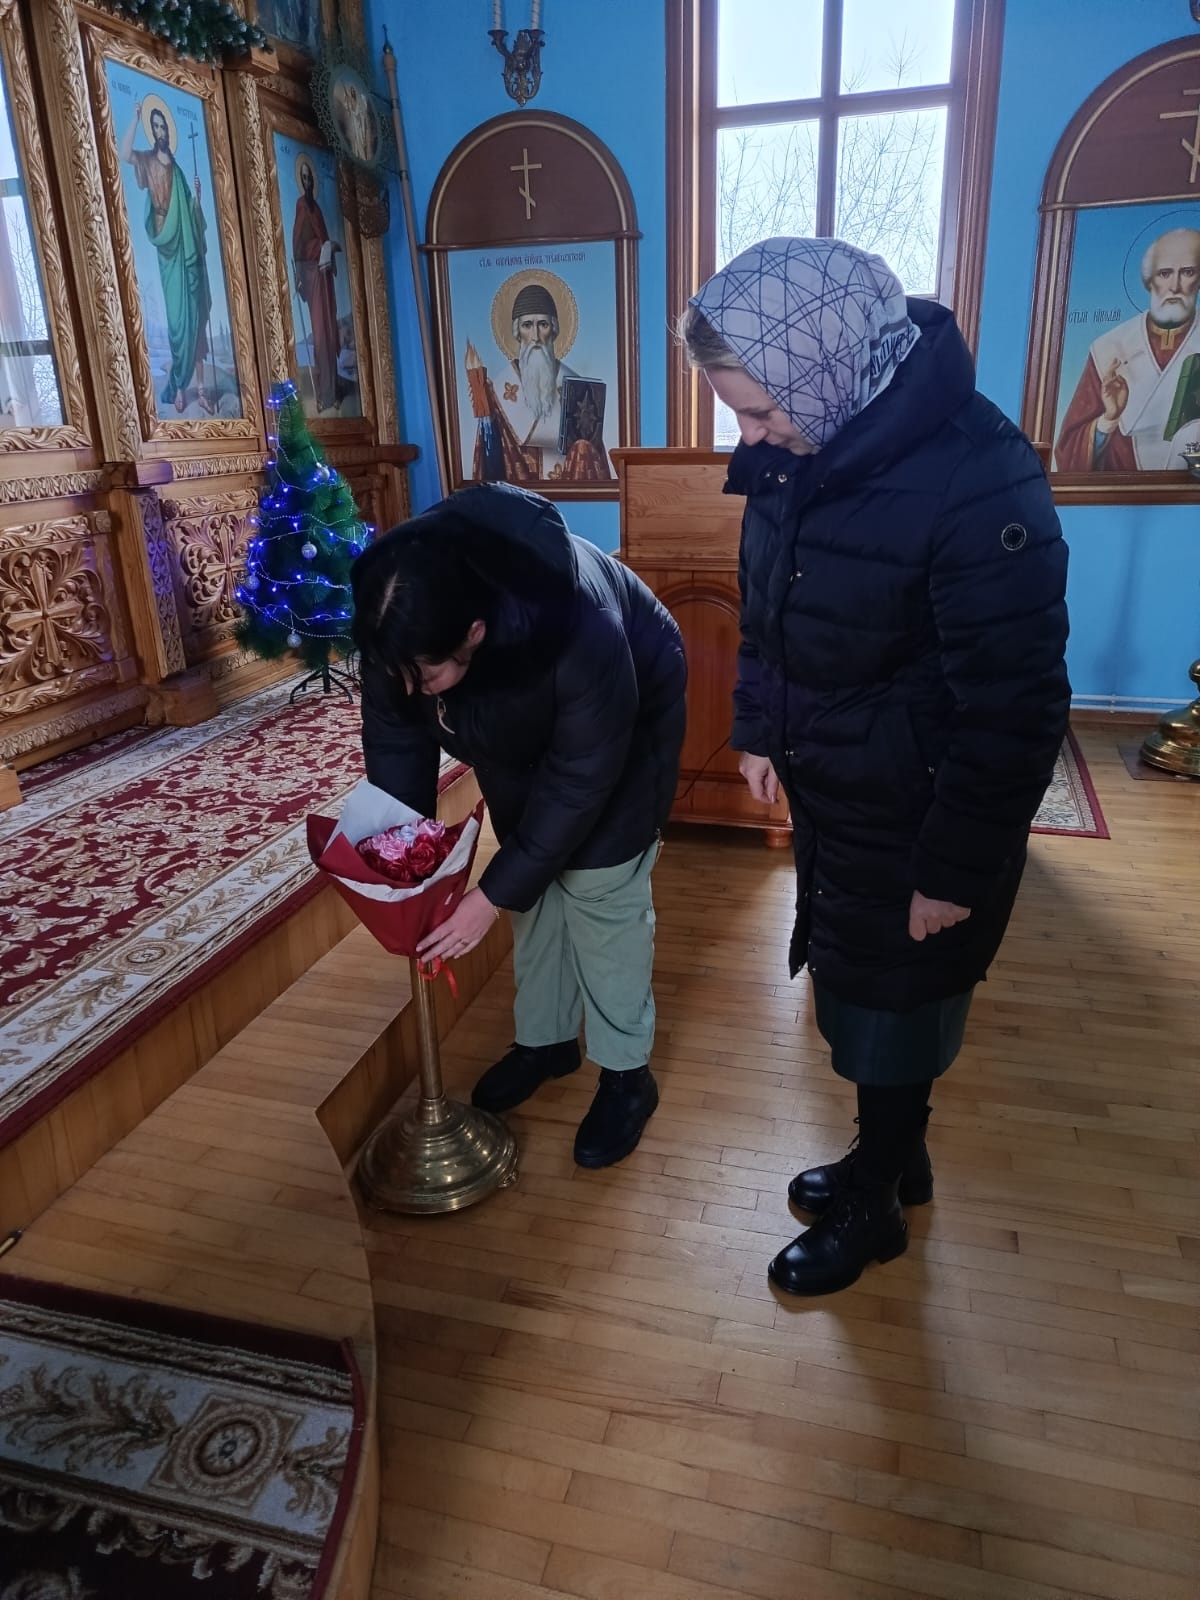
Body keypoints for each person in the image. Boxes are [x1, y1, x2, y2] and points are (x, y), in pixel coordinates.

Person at [681, 236, 1070, 1297]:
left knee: (898, 998)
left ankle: (875, 1208)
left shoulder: (978, 473)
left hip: (924, 805)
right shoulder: (807, 442)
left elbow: (1018, 705)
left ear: (825, 368)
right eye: (739, 415)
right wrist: (758, 727)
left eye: (762, 411)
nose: (751, 437)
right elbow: (767, 607)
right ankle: (894, 1156)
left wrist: (954, 869)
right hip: (842, 781)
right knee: (866, 988)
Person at [351, 481, 687, 1168]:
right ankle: (546, 1042)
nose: (409, 687)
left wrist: (489, 896)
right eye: (396, 673)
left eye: (427, 674)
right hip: (516, 726)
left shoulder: (580, 626)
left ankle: (627, 1074)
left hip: (629, 718)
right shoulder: (400, 619)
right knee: (533, 894)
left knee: (599, 894)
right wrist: (405, 859)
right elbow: (396, 741)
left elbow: (580, 780)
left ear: (474, 633)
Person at [1055, 227, 1200, 471]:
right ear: (1149, 280)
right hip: (1125, 491)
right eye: (1165, 273)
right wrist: (1108, 419)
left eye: (1187, 272)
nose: (1174, 286)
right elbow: (1069, 454)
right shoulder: (1109, 348)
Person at [120, 102, 213, 416]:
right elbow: (124, 154)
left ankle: (201, 389)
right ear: (152, 131)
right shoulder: (147, 160)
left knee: (195, 316)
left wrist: (198, 198)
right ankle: (180, 387)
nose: (160, 131)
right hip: (166, 243)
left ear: (168, 132)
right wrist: (134, 118)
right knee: (177, 320)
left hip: (186, 247)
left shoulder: (178, 170)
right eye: (156, 127)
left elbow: (191, 215)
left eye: (163, 127)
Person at [465, 282, 611, 483]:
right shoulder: (498, 391)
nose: (535, 337)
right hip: (520, 493)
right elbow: (492, 465)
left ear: (554, 330)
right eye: (527, 325)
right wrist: (485, 415)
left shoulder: (578, 390)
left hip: (570, 489)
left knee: (584, 448)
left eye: (543, 325)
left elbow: (594, 459)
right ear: (517, 332)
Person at [291, 160, 341, 412]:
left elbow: (323, 238)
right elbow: (298, 247)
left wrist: (328, 248)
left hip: (325, 278)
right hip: (313, 278)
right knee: (320, 337)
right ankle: (323, 394)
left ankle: (333, 392)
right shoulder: (302, 206)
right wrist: (318, 249)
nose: (308, 182)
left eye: (310, 177)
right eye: (304, 178)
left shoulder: (317, 208)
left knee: (330, 333)